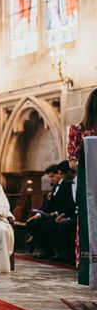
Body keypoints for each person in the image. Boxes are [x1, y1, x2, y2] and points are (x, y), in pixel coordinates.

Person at [67, 88, 97, 285]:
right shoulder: (79, 130)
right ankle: (90, 273)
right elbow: (71, 162)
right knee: (90, 226)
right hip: (90, 185)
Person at [27, 162, 76, 261]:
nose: (51, 179)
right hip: (55, 214)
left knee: (47, 225)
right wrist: (38, 214)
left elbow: (68, 205)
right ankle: (45, 250)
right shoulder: (56, 187)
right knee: (32, 223)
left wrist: (58, 214)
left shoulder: (66, 186)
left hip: (63, 215)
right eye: (50, 177)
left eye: (53, 176)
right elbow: (49, 206)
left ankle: (61, 252)